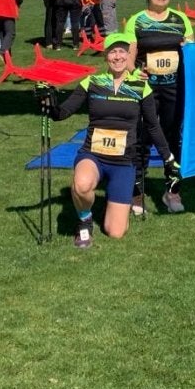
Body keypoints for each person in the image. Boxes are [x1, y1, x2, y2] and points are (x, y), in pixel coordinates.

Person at [39, 32, 180, 248]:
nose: (118, 56)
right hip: (93, 155)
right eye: (113, 52)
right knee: (81, 184)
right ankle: (85, 219)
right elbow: (62, 113)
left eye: (122, 51)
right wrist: (48, 102)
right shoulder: (92, 82)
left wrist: (168, 158)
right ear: (106, 56)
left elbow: (153, 126)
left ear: (128, 55)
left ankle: (113, 201)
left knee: (115, 232)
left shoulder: (141, 87)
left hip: (123, 162)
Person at [124, 0, 194, 214]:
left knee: (173, 139)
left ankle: (172, 192)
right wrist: (135, 73)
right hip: (147, 90)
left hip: (175, 88)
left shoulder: (180, 19)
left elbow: (192, 52)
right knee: (141, 138)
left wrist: (188, 48)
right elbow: (129, 57)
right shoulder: (137, 21)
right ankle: (136, 193)